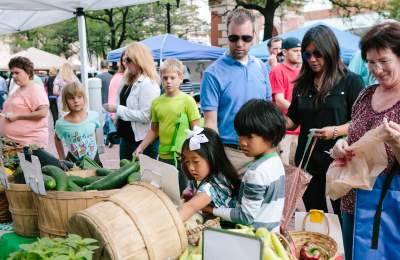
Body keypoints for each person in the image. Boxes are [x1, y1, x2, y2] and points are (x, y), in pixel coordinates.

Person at [331, 21, 400, 260]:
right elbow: (352, 138)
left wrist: (397, 144)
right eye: (371, 62)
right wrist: (341, 146)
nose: (376, 69)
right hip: (353, 200)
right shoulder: (365, 95)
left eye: (383, 61)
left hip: (389, 202)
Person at [285, 25, 365, 216]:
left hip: (340, 160)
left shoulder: (351, 81)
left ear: (330, 51)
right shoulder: (302, 84)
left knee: (341, 216)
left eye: (318, 53)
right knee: (314, 216)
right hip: (308, 162)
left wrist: (335, 131)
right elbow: (292, 120)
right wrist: (269, 118)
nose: (312, 59)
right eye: (307, 54)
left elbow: (361, 122)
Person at [200, 7, 272, 172]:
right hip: (231, 153)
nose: (239, 44)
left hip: (263, 151)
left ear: (254, 36)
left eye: (245, 38)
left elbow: (268, 110)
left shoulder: (261, 67)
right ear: (227, 36)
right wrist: (216, 156)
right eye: (234, 38)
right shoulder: (213, 73)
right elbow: (210, 122)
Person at [209, 99, 285, 231]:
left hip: (254, 239)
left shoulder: (256, 172)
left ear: (271, 134)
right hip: (272, 233)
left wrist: (211, 210)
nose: (242, 142)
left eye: (249, 137)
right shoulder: (276, 161)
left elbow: (246, 217)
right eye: (240, 135)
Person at [135, 58, 200, 192]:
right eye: (165, 78)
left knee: (185, 193)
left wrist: (194, 155)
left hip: (183, 157)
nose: (168, 81)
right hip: (164, 157)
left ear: (181, 78)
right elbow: (154, 130)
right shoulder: (157, 103)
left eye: (172, 77)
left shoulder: (188, 101)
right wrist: (141, 147)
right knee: (168, 192)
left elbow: (196, 130)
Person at [104, 42, 160, 161]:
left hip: (141, 141)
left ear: (138, 60)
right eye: (124, 60)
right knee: (124, 177)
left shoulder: (148, 83)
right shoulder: (127, 79)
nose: (125, 63)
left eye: (128, 60)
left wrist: (118, 109)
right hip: (126, 138)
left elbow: (145, 116)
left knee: (142, 178)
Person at [179, 127, 240, 222]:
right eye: (187, 162)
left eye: (195, 161)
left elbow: (190, 207)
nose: (191, 167)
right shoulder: (221, 175)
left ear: (212, 157)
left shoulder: (210, 187)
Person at [0, 56, 49, 149]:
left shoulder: (35, 89)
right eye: (12, 73)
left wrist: (18, 116)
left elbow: (43, 112)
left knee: (16, 164)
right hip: (12, 143)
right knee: (9, 164)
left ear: (28, 72)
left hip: (27, 145)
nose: (13, 76)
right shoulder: (18, 89)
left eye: (17, 72)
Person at [269, 37, 302, 165]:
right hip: (284, 131)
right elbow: (279, 100)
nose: (299, 53)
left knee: (299, 174)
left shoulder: (302, 72)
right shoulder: (278, 71)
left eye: (300, 50)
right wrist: (301, 113)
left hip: (301, 131)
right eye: (295, 50)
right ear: (284, 52)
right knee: (285, 172)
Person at [54, 82, 102, 166]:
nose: (76, 101)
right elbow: (57, 139)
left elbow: (95, 130)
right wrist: (62, 158)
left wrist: (96, 148)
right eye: (71, 98)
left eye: (79, 97)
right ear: (66, 101)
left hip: (94, 159)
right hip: (73, 162)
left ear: (84, 98)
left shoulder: (93, 116)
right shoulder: (61, 124)